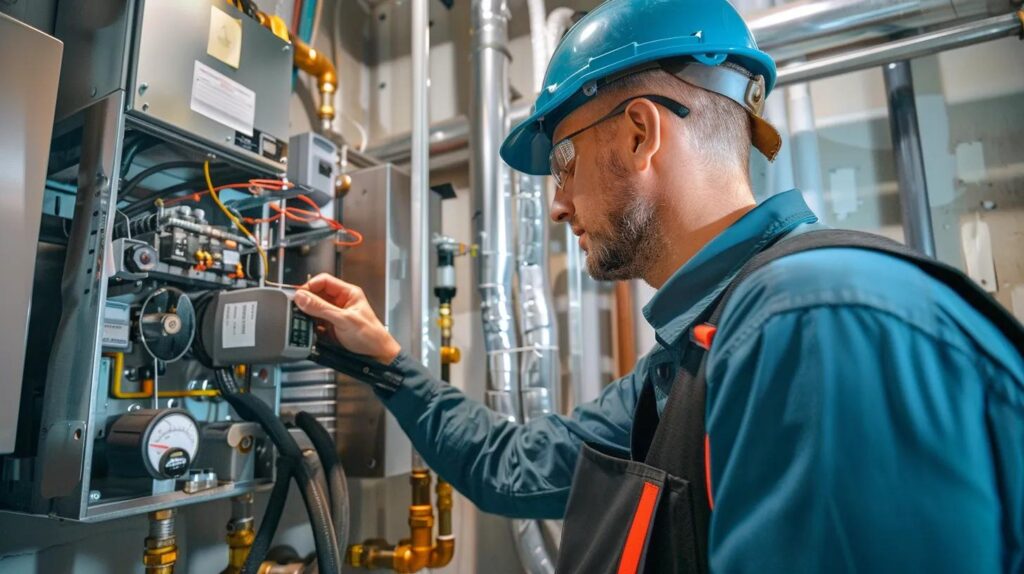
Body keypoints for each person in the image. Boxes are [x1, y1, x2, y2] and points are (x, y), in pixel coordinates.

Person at [294, 0, 1024, 571]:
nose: (557, 202)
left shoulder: (814, 326)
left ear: (640, 133)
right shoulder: (705, 349)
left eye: (566, 161)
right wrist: (384, 360)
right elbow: (511, 469)